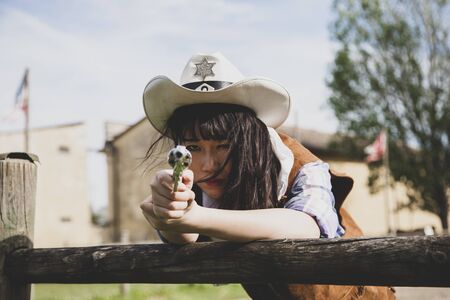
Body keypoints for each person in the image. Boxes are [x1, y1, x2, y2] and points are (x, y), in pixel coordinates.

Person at [140, 52, 395, 299]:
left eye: (224, 145)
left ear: (250, 139)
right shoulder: (195, 180)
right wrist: (170, 214)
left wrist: (196, 216)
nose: (208, 164)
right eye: (193, 147)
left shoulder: (303, 167)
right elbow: (187, 237)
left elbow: (306, 226)